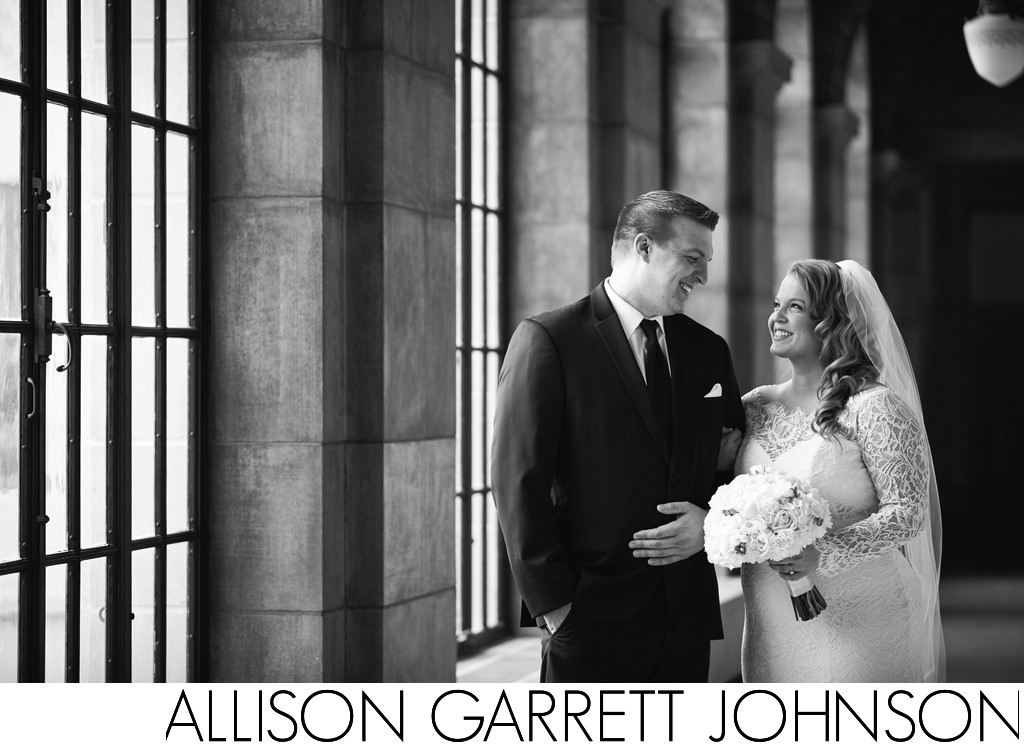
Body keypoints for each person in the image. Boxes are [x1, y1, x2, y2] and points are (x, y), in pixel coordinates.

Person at [491, 190, 745, 682]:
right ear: (644, 247)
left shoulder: (709, 351)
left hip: (685, 618)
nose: (704, 276)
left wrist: (713, 522)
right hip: (587, 614)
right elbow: (517, 481)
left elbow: (735, 464)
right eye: (692, 258)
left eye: (707, 261)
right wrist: (555, 606)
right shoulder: (549, 340)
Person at [734, 258, 944, 682]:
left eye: (794, 306)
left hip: (862, 612)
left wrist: (823, 550)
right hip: (770, 616)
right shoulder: (752, 407)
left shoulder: (876, 407)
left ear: (831, 322)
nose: (776, 317)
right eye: (777, 304)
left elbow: (907, 513)